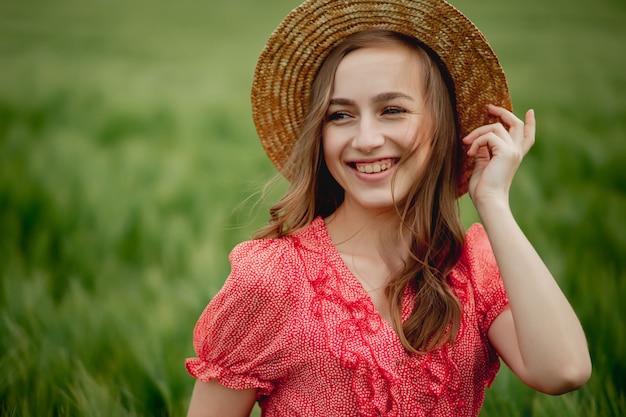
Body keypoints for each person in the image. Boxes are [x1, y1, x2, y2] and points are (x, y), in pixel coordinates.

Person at [185, 1, 591, 416]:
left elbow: (564, 371)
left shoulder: (472, 268)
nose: (365, 138)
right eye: (339, 115)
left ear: (443, 125)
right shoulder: (274, 279)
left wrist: (493, 203)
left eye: (392, 110)